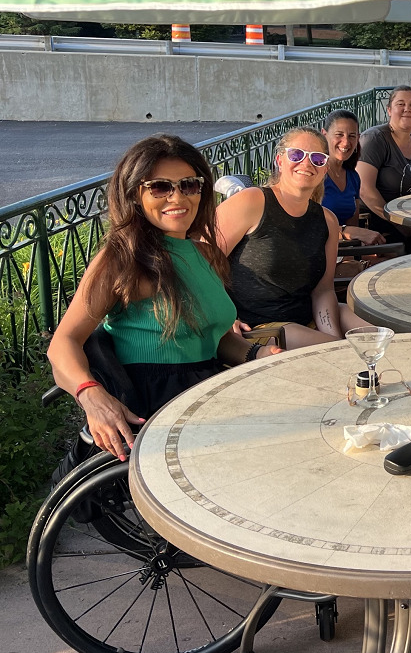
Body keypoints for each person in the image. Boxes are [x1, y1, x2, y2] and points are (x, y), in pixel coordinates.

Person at [47, 135, 281, 461]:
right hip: (154, 407)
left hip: (207, 389)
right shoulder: (122, 257)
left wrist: (258, 353)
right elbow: (63, 343)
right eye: (159, 187)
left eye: (189, 185)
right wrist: (92, 396)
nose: (177, 196)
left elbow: (216, 339)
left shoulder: (206, 254)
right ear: (134, 195)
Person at [216, 126, 371, 349]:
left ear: (325, 168)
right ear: (280, 161)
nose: (306, 163)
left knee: (379, 338)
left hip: (308, 315)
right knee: (339, 351)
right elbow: (203, 262)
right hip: (260, 326)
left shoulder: (327, 220)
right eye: (296, 155)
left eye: (317, 159)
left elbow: (323, 289)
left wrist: (333, 335)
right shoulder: (252, 202)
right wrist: (223, 315)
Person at [357, 85, 411, 250]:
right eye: (400, 104)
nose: (407, 109)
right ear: (389, 110)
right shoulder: (375, 139)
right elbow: (364, 189)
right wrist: (400, 224)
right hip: (379, 225)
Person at [320, 109, 386, 246]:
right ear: (324, 135)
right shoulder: (315, 175)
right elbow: (308, 228)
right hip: (320, 250)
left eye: (351, 136)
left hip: (344, 249)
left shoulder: (353, 177)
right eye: (339, 135)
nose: (345, 143)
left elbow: (354, 228)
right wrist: (345, 231)